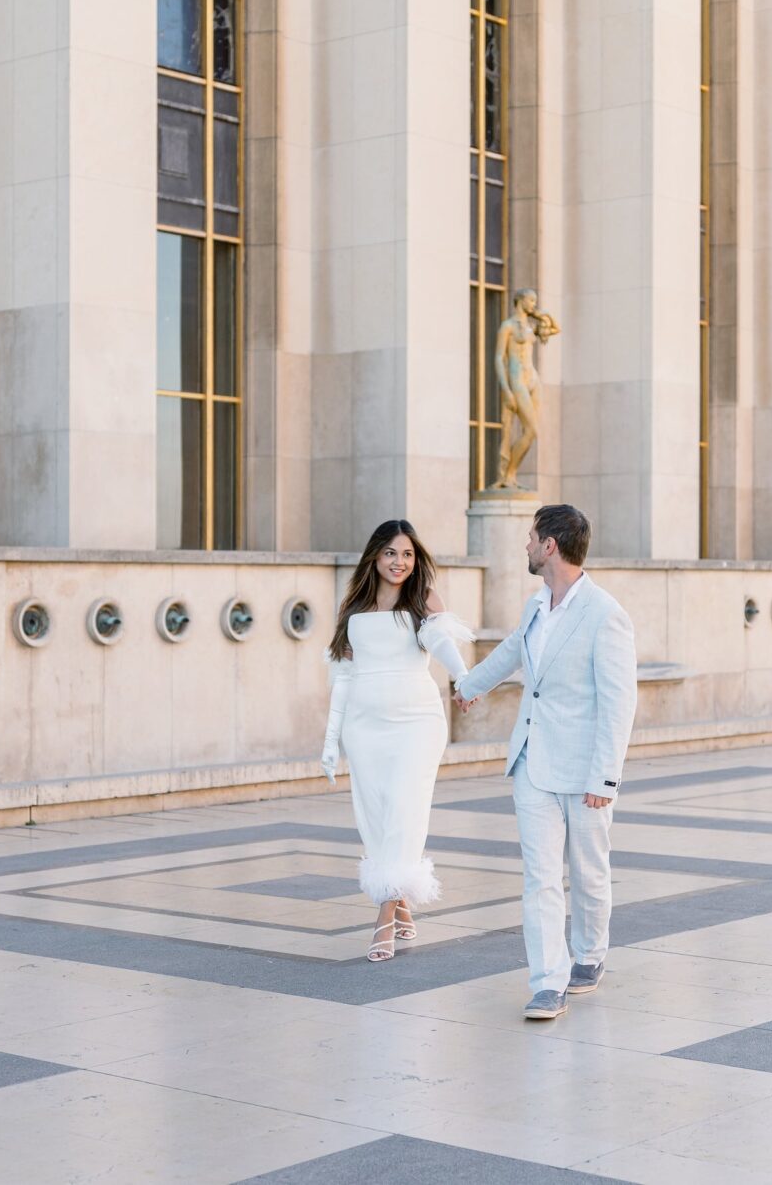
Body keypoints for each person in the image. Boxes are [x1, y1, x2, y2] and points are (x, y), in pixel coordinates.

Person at [454, 504, 637, 1019]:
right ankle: (546, 982)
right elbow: (513, 651)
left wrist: (605, 775)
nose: (526, 546)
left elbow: (619, 702)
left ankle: (591, 953)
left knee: (588, 871)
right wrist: (469, 687)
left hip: (583, 770)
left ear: (550, 545)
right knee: (539, 878)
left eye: (531, 538)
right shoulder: (537, 605)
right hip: (532, 763)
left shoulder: (606, 614)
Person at [321, 520, 474, 962]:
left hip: (417, 723)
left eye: (407, 554)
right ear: (375, 555)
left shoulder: (423, 599)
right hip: (364, 726)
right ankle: (402, 903)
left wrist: (464, 678)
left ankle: (384, 916)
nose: (400, 562)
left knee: (405, 812)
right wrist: (331, 740)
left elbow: (441, 642)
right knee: (376, 815)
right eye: (391, 553)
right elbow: (343, 677)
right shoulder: (353, 606)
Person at [493, 288, 560, 490]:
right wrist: (505, 389)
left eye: (534, 301)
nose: (533, 304)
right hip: (517, 378)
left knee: (530, 430)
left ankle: (511, 475)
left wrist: (542, 314)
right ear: (520, 300)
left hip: (533, 378)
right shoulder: (508, 326)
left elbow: (556, 329)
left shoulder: (531, 326)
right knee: (531, 430)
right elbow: (498, 357)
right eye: (531, 301)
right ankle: (508, 474)